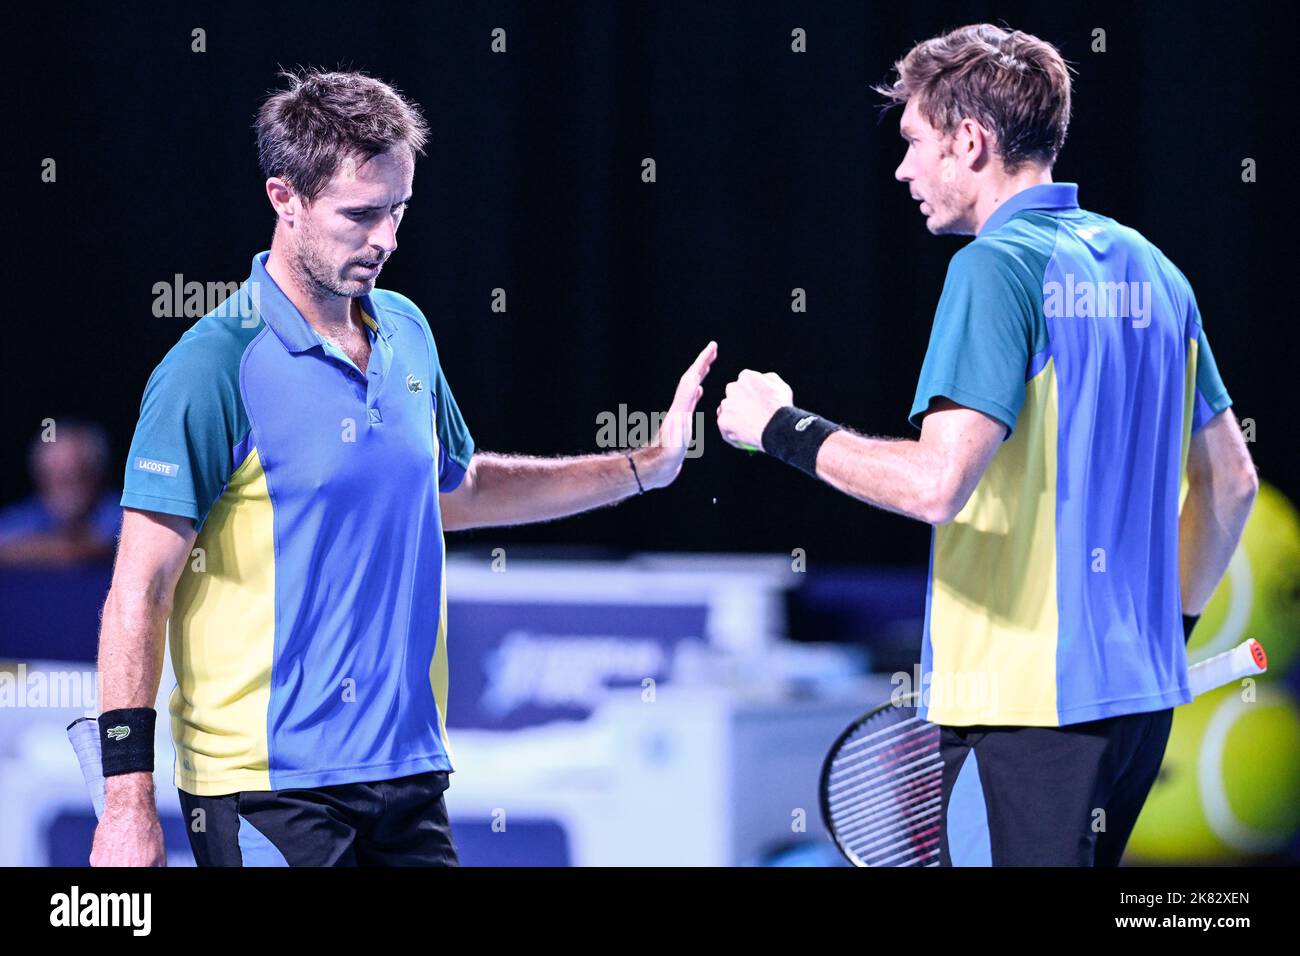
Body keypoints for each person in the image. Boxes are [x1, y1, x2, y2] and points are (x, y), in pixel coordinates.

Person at [91, 68, 715, 867]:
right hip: (265, 789)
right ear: (284, 199)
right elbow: (136, 593)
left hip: (409, 774)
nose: (386, 238)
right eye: (361, 214)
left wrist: (644, 468)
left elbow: (456, 489)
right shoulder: (211, 366)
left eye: (399, 210)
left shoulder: (407, 328)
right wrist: (125, 806)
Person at [716, 23, 1257, 866]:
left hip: (1022, 710)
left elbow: (937, 483)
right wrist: (1166, 625)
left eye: (914, 143)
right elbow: (1231, 486)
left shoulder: (993, 268)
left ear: (970, 141)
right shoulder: (1155, 270)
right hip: (1137, 704)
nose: (902, 171)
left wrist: (779, 429)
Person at [0, 421, 120, 567]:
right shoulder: (27, 515)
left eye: (78, 474)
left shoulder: (122, 512)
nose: (67, 485)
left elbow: (98, 547)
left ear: (98, 475)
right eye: (56, 475)